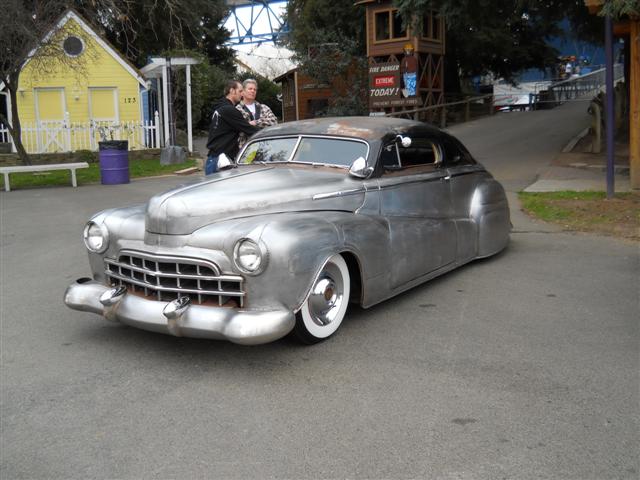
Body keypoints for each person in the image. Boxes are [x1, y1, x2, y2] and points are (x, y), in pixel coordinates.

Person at [205, 80, 259, 175]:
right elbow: (249, 129)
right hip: (220, 161)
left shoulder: (220, 107)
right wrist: (268, 132)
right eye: (240, 91)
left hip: (214, 158)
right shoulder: (229, 110)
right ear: (232, 90)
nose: (242, 94)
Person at [236, 78, 278, 149]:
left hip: (265, 148)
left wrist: (255, 122)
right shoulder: (237, 109)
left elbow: (274, 122)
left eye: (255, 89)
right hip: (246, 149)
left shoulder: (263, 107)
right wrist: (263, 122)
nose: (253, 91)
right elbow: (241, 129)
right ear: (242, 92)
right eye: (250, 89)